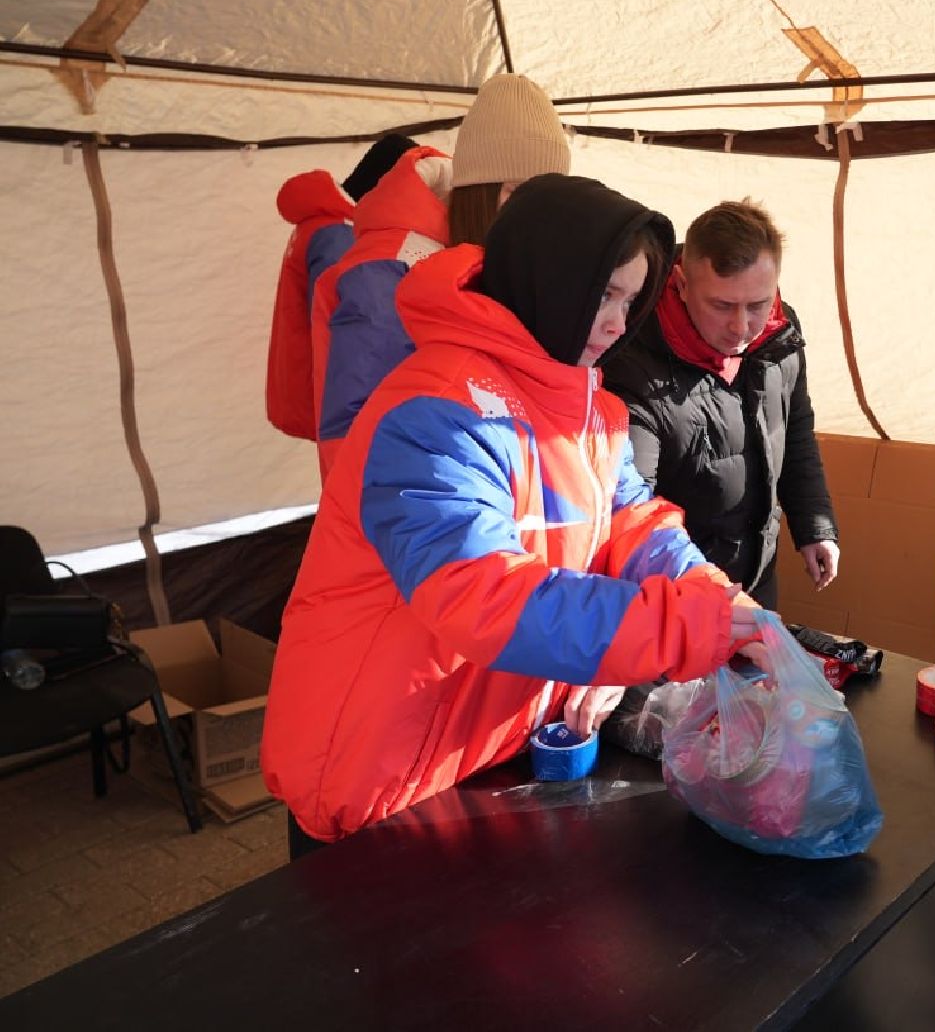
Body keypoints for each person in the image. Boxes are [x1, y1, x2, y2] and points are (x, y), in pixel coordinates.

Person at [261, 175, 758, 855]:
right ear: (547, 282)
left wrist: (711, 594)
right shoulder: (433, 410)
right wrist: (681, 628)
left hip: (480, 754)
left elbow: (633, 524)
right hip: (373, 771)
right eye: (603, 295)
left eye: (630, 299)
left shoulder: (588, 410)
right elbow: (480, 593)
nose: (618, 324)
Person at [311, 74, 571, 477]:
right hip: (416, 514)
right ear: (479, 192)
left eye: (551, 198)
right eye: (517, 193)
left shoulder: (492, 259)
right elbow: (354, 435)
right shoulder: (389, 272)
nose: (536, 215)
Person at [602, 200, 838, 611]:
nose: (742, 326)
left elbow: (795, 427)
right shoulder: (633, 364)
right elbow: (631, 507)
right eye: (722, 306)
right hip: (671, 600)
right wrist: (699, 594)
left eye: (758, 304)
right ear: (680, 283)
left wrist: (814, 523)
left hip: (757, 582)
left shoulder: (780, 335)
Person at [265, 133, 415, 441]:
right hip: (334, 392)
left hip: (311, 379)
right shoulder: (338, 233)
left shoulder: (319, 222)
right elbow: (351, 323)